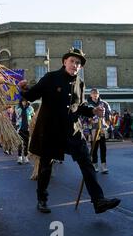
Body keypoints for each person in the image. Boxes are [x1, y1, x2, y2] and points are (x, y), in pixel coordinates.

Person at [18, 48, 121, 214]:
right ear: (64, 62)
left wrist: (93, 111)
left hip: (72, 131)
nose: (75, 65)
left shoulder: (80, 83)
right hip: (51, 130)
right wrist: (23, 89)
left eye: (78, 63)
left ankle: (99, 201)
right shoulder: (51, 78)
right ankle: (42, 200)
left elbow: (79, 107)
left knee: (87, 163)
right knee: (45, 166)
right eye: (72, 61)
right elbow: (31, 95)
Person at [87, 88, 111, 173]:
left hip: (102, 129)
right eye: (93, 93)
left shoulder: (104, 104)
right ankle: (94, 164)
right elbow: (83, 117)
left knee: (103, 147)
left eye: (96, 93)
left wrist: (107, 125)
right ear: (90, 95)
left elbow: (108, 115)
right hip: (92, 129)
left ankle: (104, 165)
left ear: (99, 94)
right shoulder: (87, 104)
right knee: (94, 147)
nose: (95, 94)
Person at [14, 98, 35, 164]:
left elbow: (33, 116)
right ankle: (19, 158)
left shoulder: (30, 108)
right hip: (20, 128)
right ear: (21, 102)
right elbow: (16, 116)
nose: (24, 102)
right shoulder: (18, 108)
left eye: (25, 101)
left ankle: (25, 157)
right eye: (23, 101)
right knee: (20, 143)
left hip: (27, 129)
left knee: (26, 143)